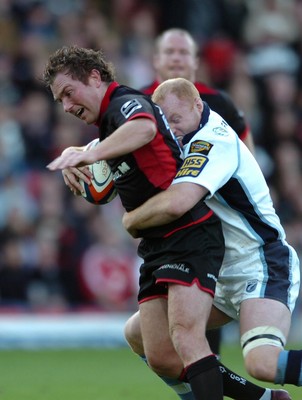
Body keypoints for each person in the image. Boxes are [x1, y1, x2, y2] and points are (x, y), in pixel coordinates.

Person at [42, 46, 291, 400]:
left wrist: (91, 155)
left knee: (196, 340)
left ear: (95, 78)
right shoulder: (112, 121)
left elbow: (143, 128)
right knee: (158, 351)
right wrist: (76, 154)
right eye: (59, 100)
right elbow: (121, 150)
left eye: (69, 93)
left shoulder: (127, 104)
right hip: (158, 245)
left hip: (191, 235)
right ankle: (263, 399)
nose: (66, 106)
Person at [122, 78, 301, 395]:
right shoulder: (176, 139)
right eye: (165, 122)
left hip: (259, 262)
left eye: (176, 120)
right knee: (143, 336)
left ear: (198, 106)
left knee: (262, 362)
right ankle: (261, 398)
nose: (171, 129)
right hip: (215, 267)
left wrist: (131, 218)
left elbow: (178, 202)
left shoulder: (212, 140)